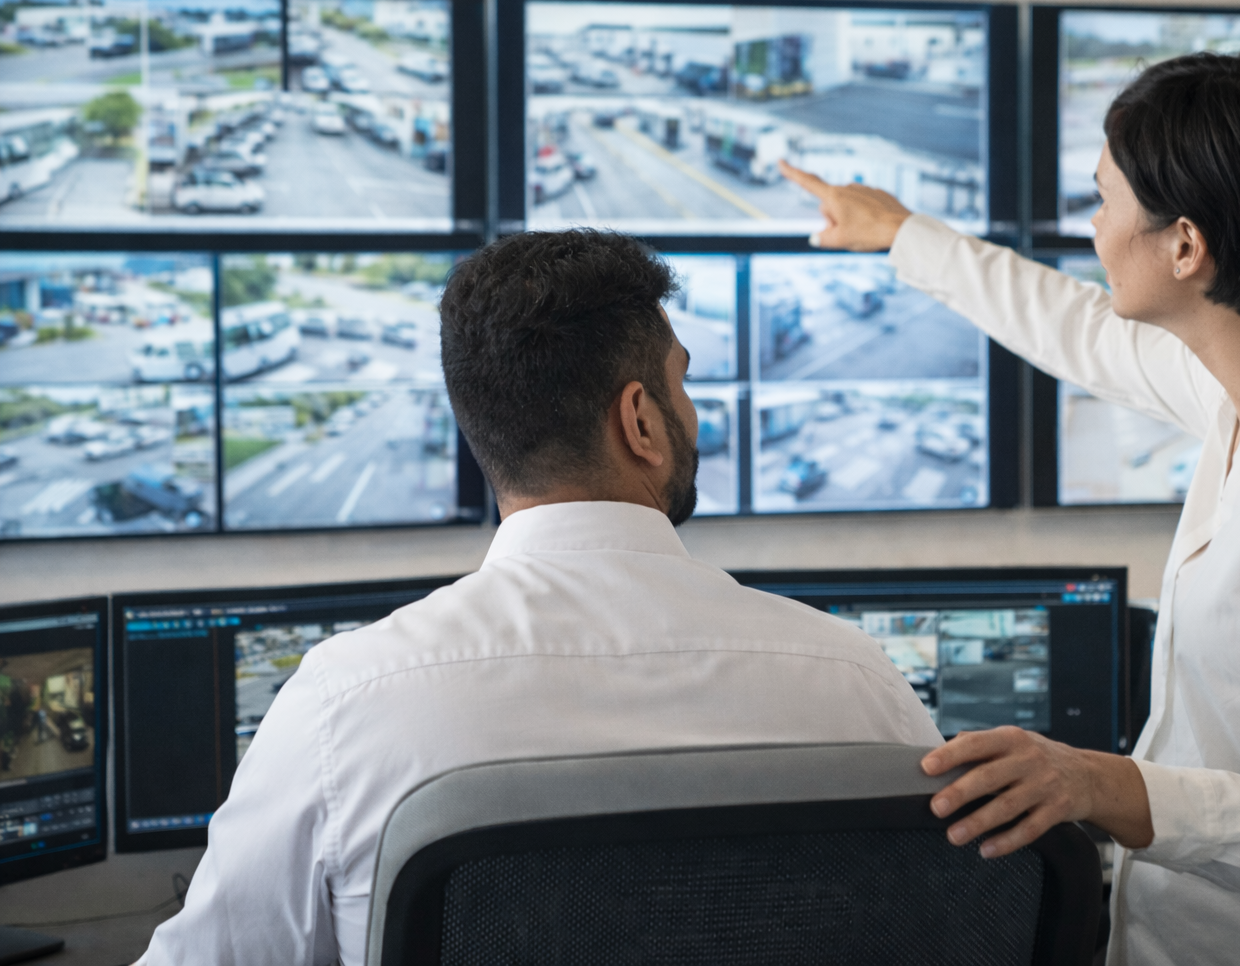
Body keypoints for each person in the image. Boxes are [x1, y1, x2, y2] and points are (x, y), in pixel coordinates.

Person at [783, 52, 1240, 965]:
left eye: (1104, 201)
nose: (1092, 229)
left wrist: (1087, 781)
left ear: (1186, 246)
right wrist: (900, 233)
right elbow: (1078, 328)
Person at [138, 231, 941, 965]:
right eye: (682, 386)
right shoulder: (853, 678)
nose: (692, 415)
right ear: (641, 422)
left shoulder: (345, 702)